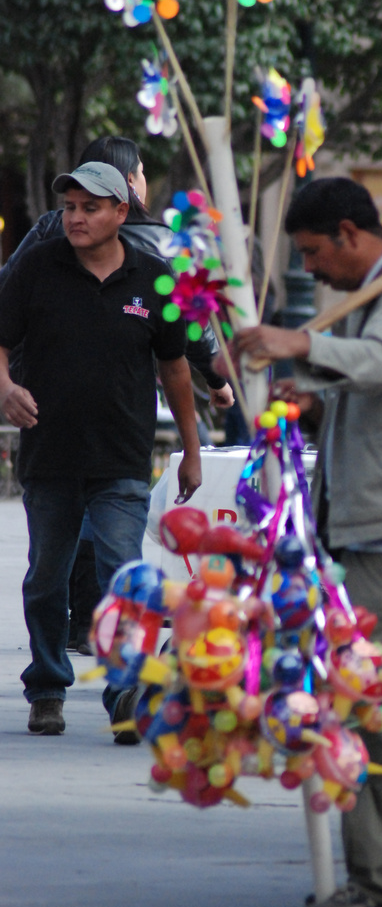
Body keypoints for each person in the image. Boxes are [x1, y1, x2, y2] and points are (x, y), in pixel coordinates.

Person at [232, 177, 382, 907]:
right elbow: (357, 379)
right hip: (376, 536)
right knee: (381, 709)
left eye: (311, 254)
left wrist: (297, 342)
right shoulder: (376, 297)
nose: (310, 273)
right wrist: (299, 392)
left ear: (345, 233)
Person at [0, 136, 234, 658]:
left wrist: (194, 449)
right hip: (50, 446)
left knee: (122, 569)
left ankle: (123, 685)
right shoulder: (41, 259)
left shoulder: (155, 268)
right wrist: (7, 387)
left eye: (89, 207)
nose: (75, 217)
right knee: (46, 578)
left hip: (122, 449)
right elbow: (4, 325)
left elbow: (175, 357)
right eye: (70, 207)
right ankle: (48, 682)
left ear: (121, 206)